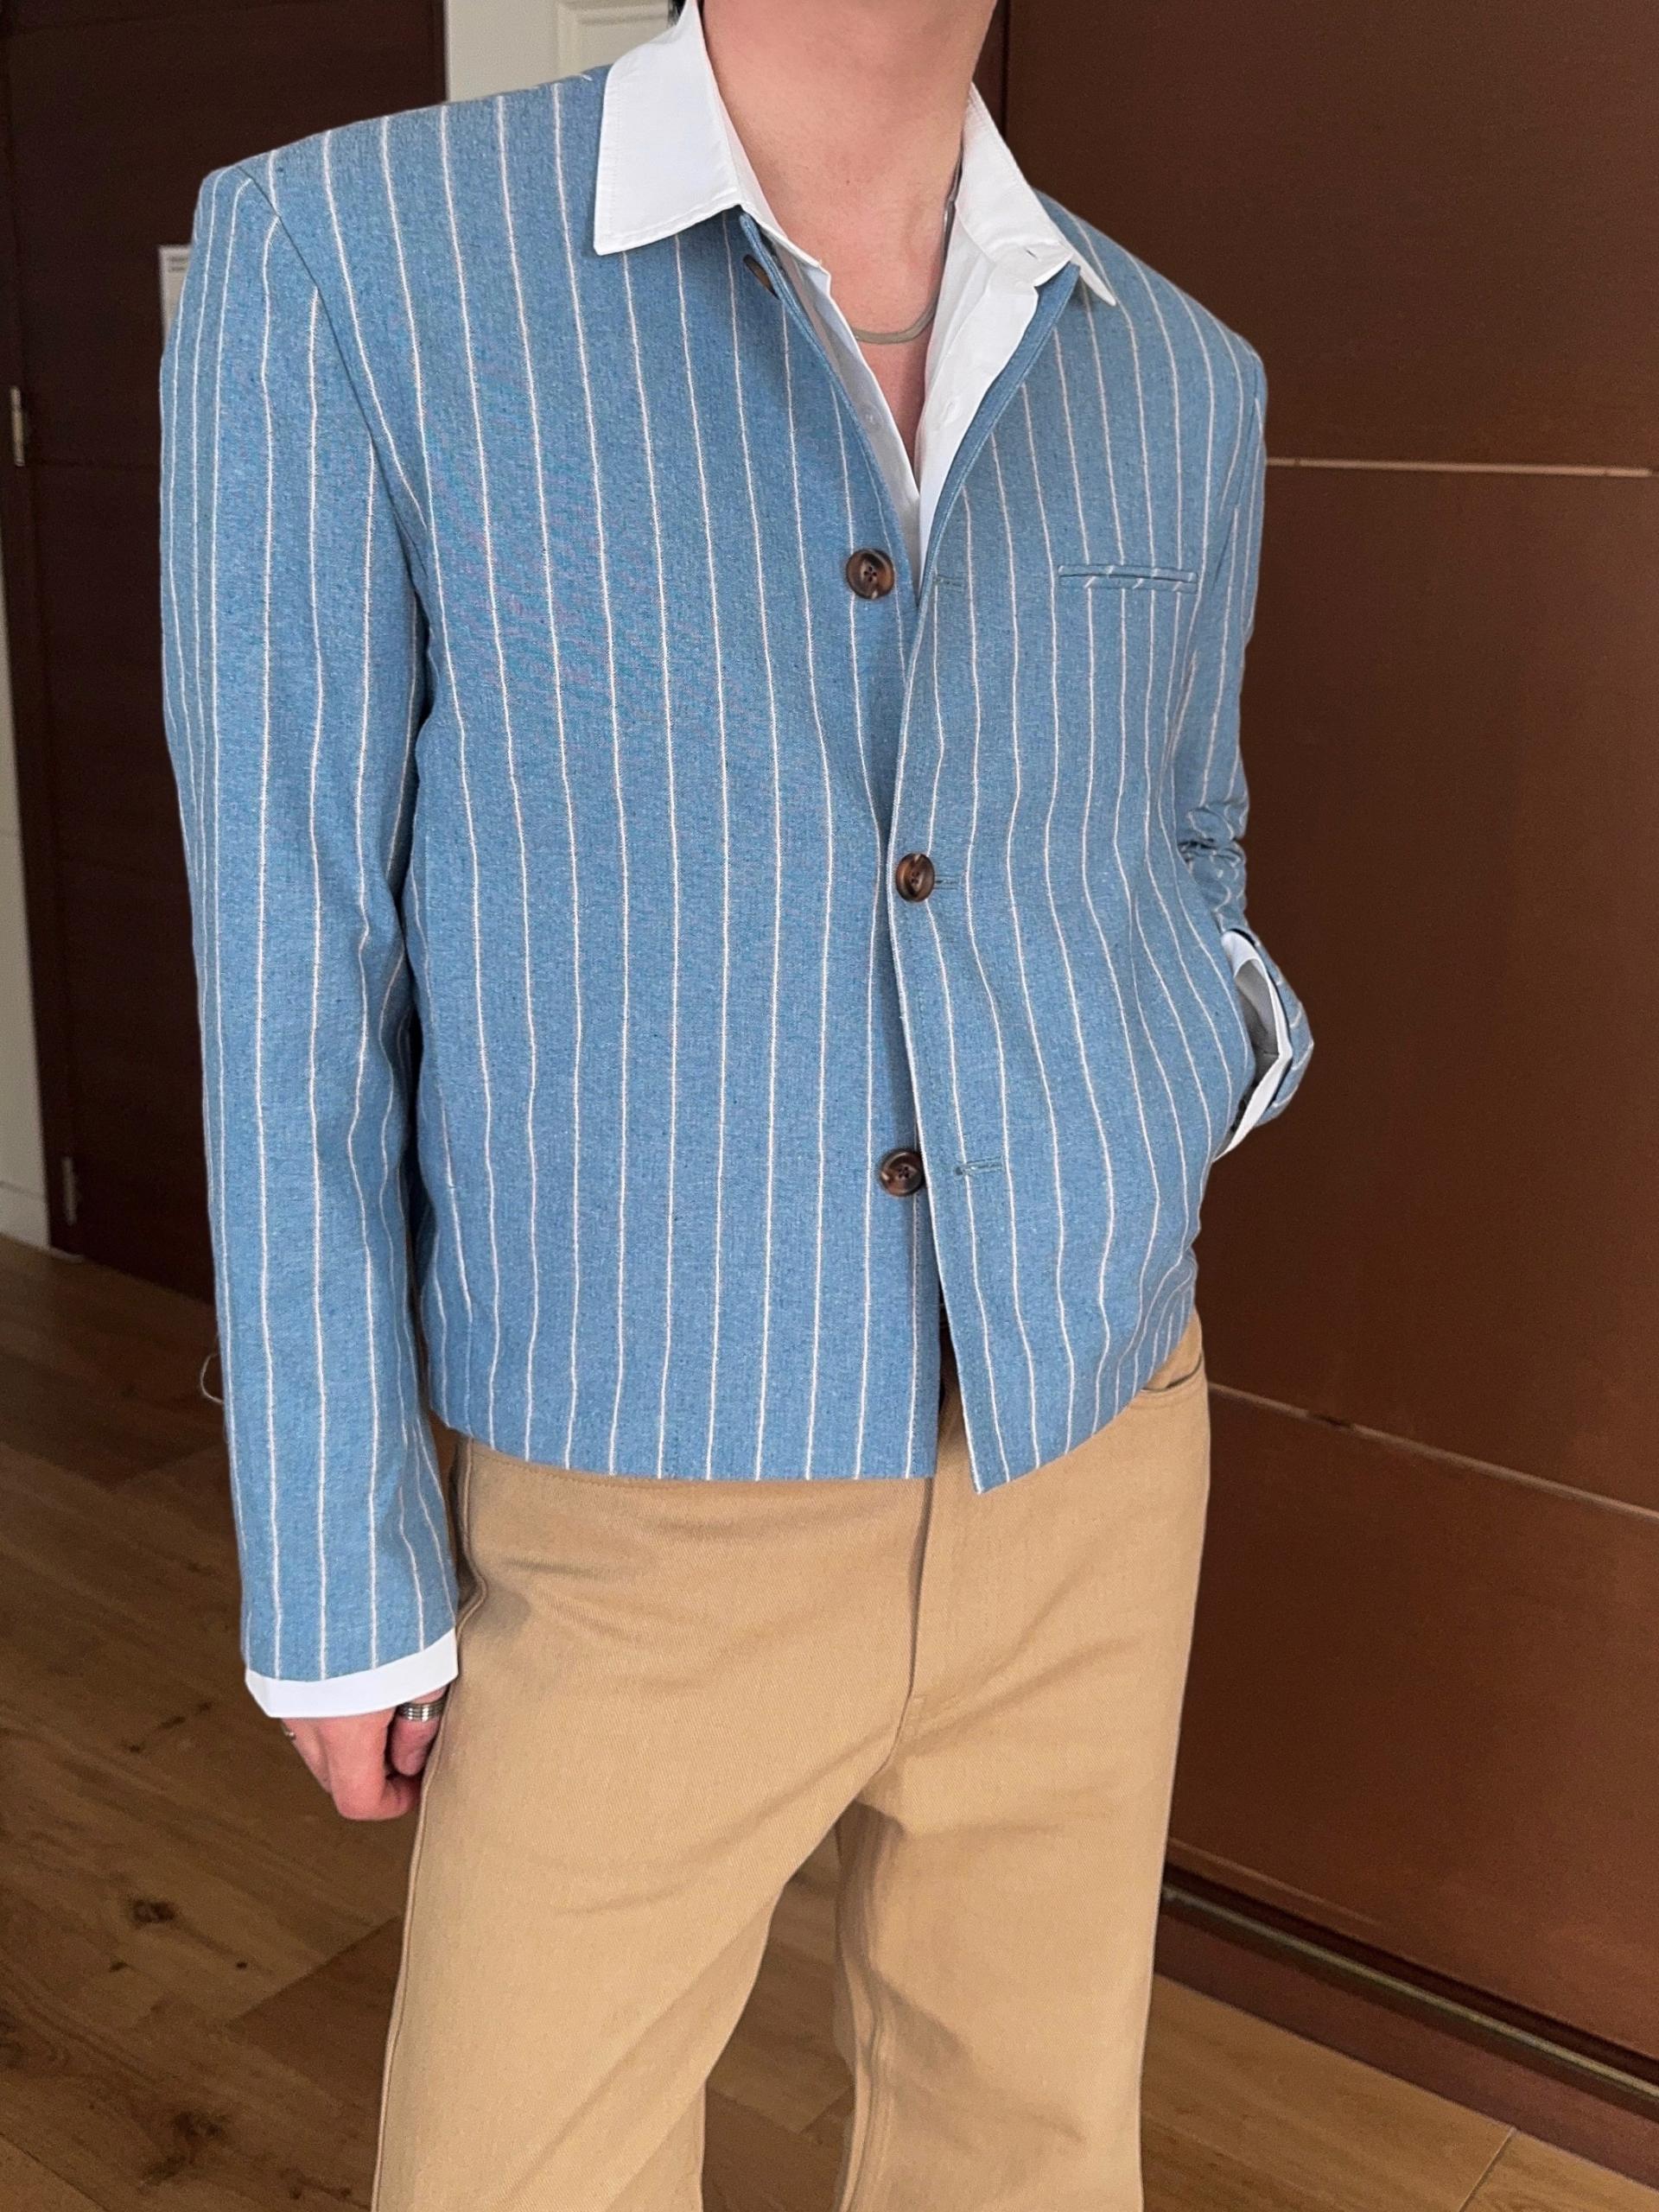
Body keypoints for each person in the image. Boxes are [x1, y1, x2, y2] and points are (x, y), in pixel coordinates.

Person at [157, 0, 1313, 2202]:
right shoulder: (351, 258)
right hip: (630, 1498)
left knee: (1030, 2147)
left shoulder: (1179, 370)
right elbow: (293, 963)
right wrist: (329, 1552)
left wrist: (1191, 1063)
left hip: (1090, 1442)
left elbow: (1191, 837)